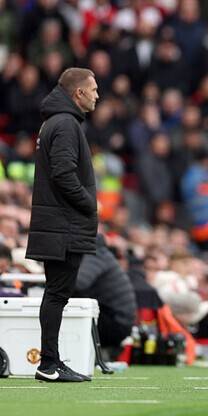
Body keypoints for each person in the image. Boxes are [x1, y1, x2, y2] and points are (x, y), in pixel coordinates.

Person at [26, 67, 99, 383]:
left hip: (58, 223)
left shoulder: (55, 122)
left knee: (56, 293)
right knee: (57, 293)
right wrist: (89, 203)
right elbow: (63, 173)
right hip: (63, 224)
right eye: (93, 89)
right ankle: (49, 364)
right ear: (78, 93)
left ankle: (51, 362)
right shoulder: (66, 124)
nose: (97, 95)